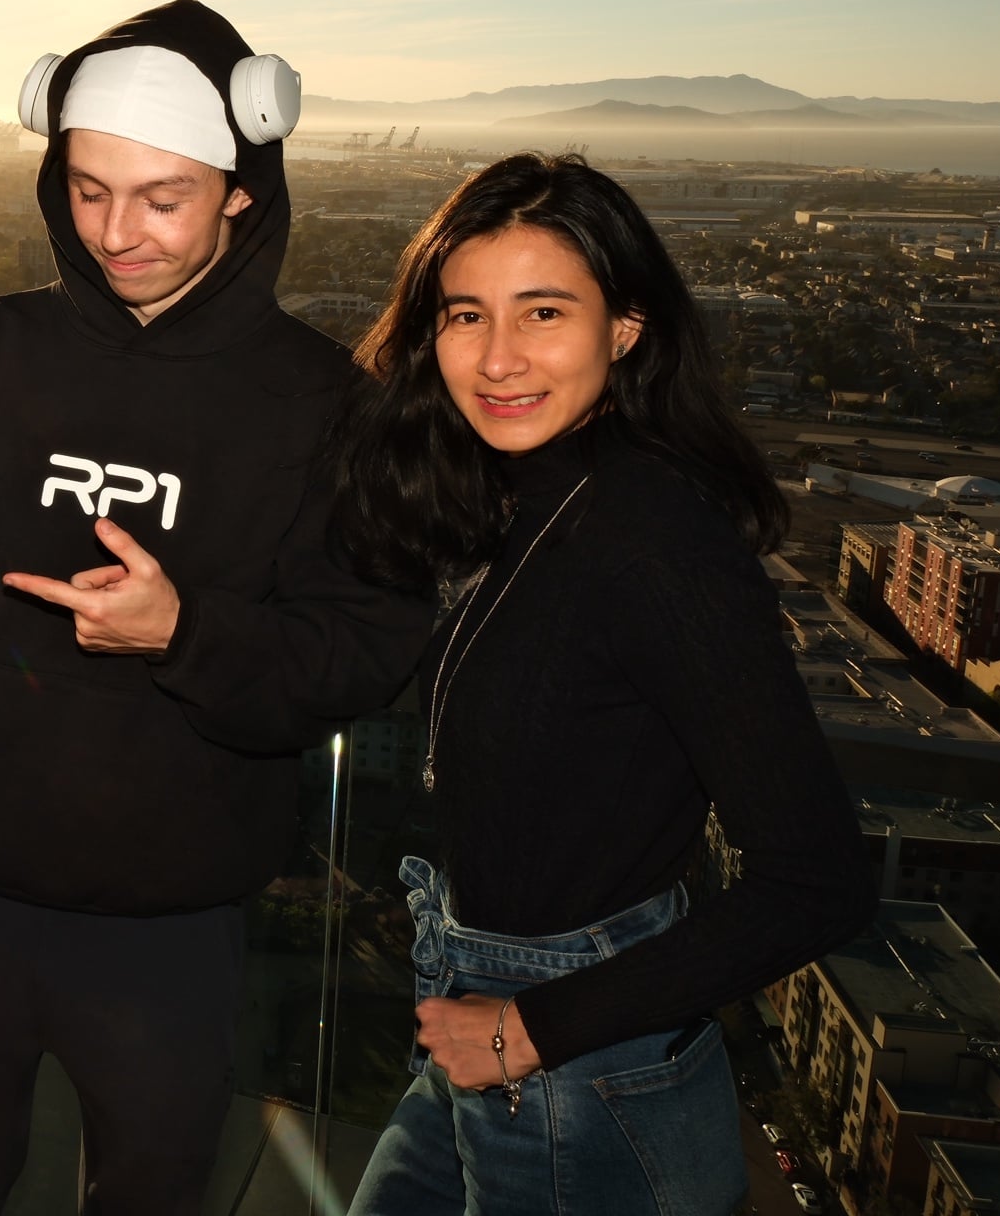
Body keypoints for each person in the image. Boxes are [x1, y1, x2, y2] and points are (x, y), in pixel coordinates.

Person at [0, 0, 434, 1215]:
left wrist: (183, 634)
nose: (116, 232)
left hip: (171, 929)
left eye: (161, 196)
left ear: (241, 190)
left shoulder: (322, 406)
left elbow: (370, 649)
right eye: (89, 189)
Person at [331, 153, 875, 1215]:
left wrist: (528, 1029)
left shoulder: (656, 545)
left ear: (624, 329)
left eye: (543, 312)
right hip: (483, 1023)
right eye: (463, 315)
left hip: (581, 1065)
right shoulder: (522, 497)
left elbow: (820, 879)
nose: (496, 358)